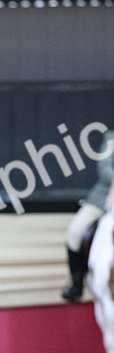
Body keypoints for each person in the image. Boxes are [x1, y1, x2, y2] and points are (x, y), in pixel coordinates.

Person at [61, 128, 114, 301]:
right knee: (75, 232)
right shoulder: (111, 138)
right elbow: (105, 169)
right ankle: (76, 283)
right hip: (104, 197)